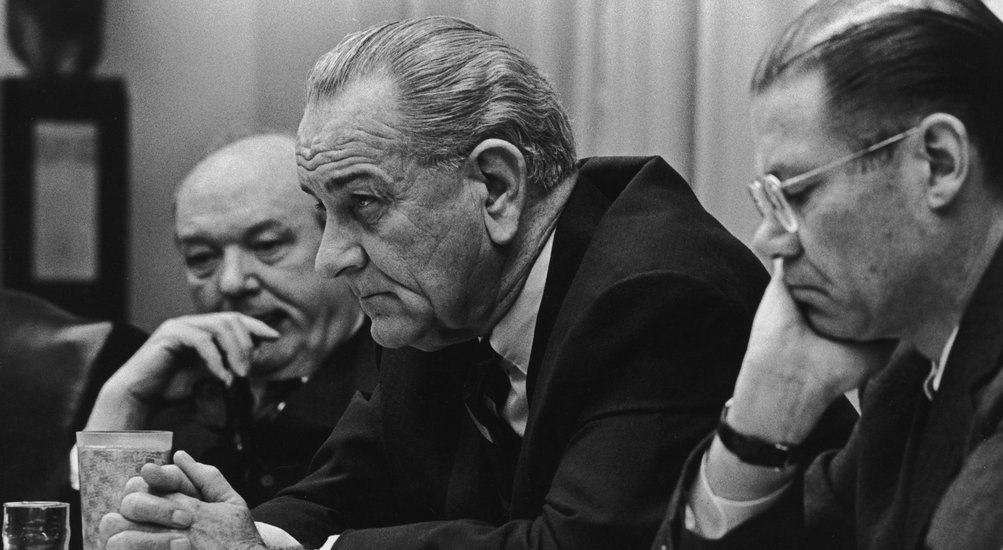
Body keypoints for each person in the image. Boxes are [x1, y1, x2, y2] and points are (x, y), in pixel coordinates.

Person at [95, 16, 806, 550]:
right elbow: (342, 491)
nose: (331, 258)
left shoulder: (658, 296)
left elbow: (581, 544)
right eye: (323, 213)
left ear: (495, 186)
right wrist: (218, 535)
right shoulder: (443, 298)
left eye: (363, 204)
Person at [650, 0, 1003, 548]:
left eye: (794, 193)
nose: (767, 240)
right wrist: (763, 417)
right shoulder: (909, 375)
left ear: (939, 162)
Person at [82, 133, 378, 506]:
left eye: (267, 245)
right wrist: (123, 401)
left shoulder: (397, 390)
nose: (231, 282)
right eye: (202, 257)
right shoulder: (176, 408)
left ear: (336, 240)